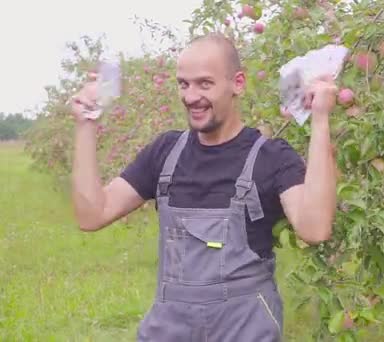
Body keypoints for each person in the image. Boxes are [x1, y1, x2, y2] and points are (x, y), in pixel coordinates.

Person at [69, 32, 338, 341]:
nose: (190, 96)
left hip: (244, 330)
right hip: (169, 330)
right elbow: (92, 214)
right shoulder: (165, 153)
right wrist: (85, 123)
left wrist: (320, 119)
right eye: (183, 84)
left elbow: (315, 229)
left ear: (237, 83)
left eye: (204, 84)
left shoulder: (270, 157)